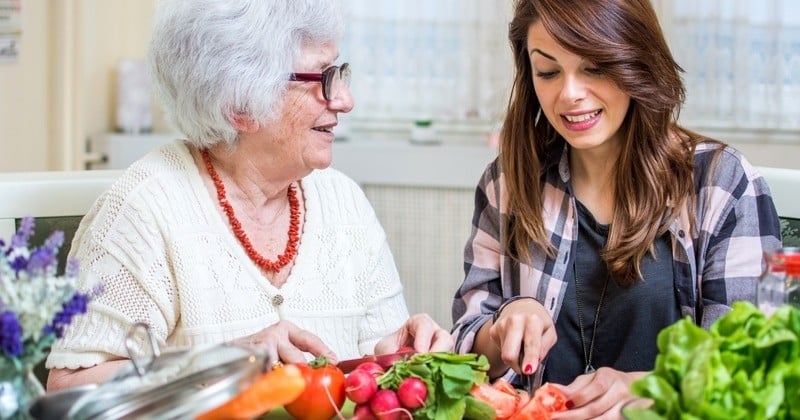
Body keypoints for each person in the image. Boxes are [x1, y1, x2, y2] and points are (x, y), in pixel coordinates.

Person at [46, 0, 453, 391]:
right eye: (322, 76)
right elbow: (68, 391)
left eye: (339, 72)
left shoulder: (344, 203)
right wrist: (215, 363)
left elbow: (376, 370)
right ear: (241, 105)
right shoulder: (146, 209)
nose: (345, 100)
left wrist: (394, 356)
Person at [450, 0, 781, 418]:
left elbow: (750, 367)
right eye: (548, 72)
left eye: (594, 67)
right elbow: (464, 347)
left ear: (636, 61)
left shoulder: (721, 184)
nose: (569, 94)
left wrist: (649, 389)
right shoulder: (509, 183)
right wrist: (505, 326)